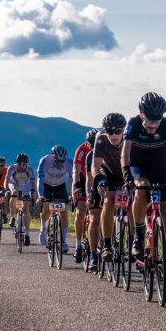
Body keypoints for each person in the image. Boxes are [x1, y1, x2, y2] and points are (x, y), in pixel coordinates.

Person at [121, 92, 166, 283]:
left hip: (160, 170)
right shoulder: (132, 124)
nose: (153, 125)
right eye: (149, 121)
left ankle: (164, 257)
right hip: (137, 169)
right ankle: (138, 236)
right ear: (141, 115)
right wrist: (126, 174)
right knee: (142, 187)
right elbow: (125, 153)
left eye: (157, 121)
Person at [87, 113, 129, 265]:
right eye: (109, 131)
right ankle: (107, 245)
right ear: (105, 131)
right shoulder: (101, 140)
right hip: (108, 173)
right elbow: (95, 166)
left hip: (126, 173)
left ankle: (133, 241)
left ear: (123, 130)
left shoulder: (130, 140)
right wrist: (99, 180)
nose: (114, 135)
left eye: (118, 131)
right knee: (109, 200)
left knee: (135, 200)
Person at [37, 145, 72, 253]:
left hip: (60, 186)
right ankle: (43, 229)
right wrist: (40, 196)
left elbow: (73, 179)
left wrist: (73, 193)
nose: (59, 163)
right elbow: (40, 180)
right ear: (52, 157)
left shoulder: (69, 162)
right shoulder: (44, 161)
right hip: (46, 186)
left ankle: (63, 241)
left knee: (64, 210)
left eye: (62, 160)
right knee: (46, 207)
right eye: (57, 160)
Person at [71, 128, 98, 263]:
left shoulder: (102, 146)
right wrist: (76, 187)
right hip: (82, 179)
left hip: (98, 179)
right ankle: (78, 246)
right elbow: (75, 170)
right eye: (91, 144)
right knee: (80, 212)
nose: (93, 146)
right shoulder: (82, 150)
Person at [6, 152, 37, 246]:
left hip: (25, 188)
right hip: (14, 185)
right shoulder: (12, 168)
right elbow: (6, 181)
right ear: (16, 163)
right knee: (14, 192)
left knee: (25, 209)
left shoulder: (30, 169)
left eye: (24, 164)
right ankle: (12, 217)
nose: (22, 166)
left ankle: (27, 235)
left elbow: (32, 183)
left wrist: (33, 191)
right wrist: (7, 190)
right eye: (19, 164)